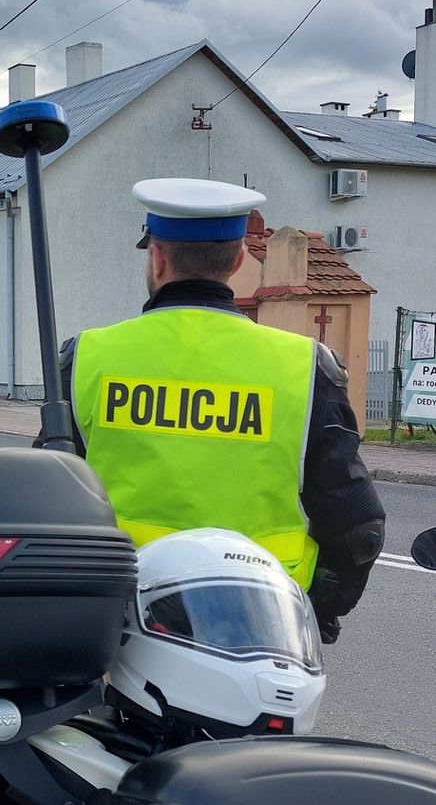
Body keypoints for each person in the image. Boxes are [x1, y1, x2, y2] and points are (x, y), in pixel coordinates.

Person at [44, 178, 385, 645]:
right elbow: (356, 522)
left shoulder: (85, 357)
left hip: (119, 617)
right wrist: (320, 608)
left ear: (157, 258)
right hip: (262, 620)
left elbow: (47, 502)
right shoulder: (305, 366)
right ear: (239, 259)